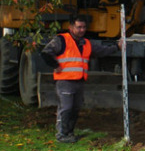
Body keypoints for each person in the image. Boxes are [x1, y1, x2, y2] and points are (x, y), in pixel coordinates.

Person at [40, 14, 121, 143]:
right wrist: (55, 65)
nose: (82, 30)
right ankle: (62, 134)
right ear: (71, 27)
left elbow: (101, 51)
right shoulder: (61, 40)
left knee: (75, 108)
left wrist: (116, 47)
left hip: (79, 81)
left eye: (84, 27)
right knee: (66, 108)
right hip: (65, 80)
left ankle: (69, 133)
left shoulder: (86, 43)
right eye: (79, 27)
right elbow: (46, 53)